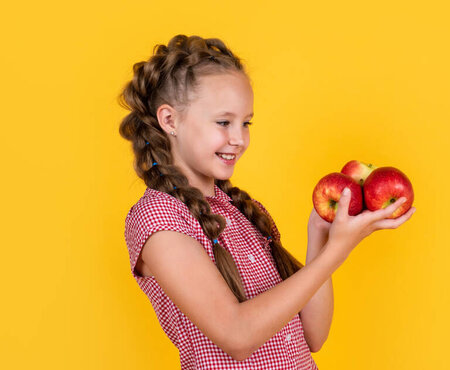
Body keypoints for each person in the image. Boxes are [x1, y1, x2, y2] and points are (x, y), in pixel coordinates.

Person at [118, 34, 416, 370]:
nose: (239, 139)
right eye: (223, 122)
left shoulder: (240, 208)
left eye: (246, 123)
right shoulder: (158, 218)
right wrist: (338, 253)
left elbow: (314, 335)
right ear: (170, 120)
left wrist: (320, 234)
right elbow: (237, 335)